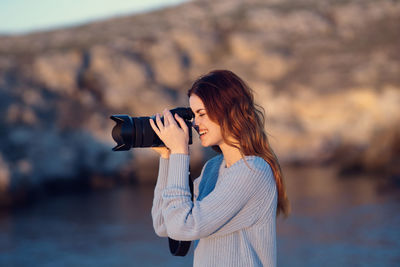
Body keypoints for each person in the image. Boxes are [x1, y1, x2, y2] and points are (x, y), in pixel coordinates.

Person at [149, 70, 289, 267]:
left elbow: (183, 227)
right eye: (194, 115)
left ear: (226, 110)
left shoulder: (253, 171)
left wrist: (181, 151)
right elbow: (164, 224)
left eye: (202, 114)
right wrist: (168, 157)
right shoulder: (213, 168)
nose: (196, 124)